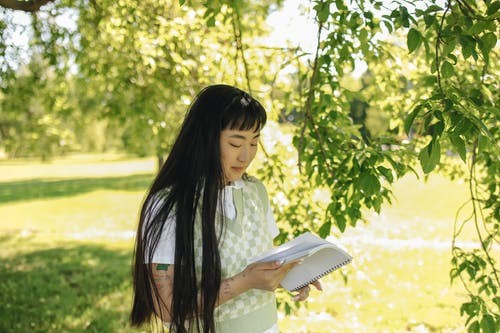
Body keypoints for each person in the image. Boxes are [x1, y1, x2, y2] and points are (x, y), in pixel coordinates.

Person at [130, 84, 322, 332]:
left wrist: (291, 273)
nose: (246, 156)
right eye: (235, 144)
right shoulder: (169, 206)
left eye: (254, 143)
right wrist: (245, 281)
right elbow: (167, 308)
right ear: (205, 140)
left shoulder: (256, 192)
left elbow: (262, 261)